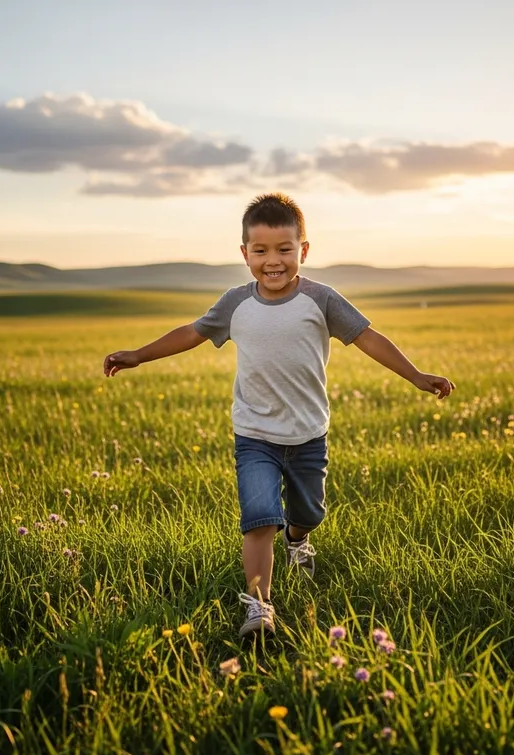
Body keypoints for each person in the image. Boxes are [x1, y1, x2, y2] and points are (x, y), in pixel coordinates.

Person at [103, 193, 455, 638]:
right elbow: (191, 333)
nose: (273, 261)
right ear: (245, 254)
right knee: (259, 518)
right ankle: (259, 606)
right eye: (261, 250)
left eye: (284, 249)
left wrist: (416, 375)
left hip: (308, 435)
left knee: (307, 513)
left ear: (303, 250)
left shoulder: (321, 299)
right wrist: (139, 354)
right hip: (255, 435)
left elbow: (369, 338)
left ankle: (299, 538)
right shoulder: (235, 303)